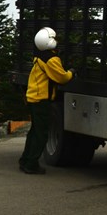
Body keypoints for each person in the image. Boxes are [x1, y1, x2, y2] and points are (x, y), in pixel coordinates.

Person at [19, 26, 75, 175]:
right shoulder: (51, 59)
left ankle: (25, 160)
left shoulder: (39, 56)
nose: (56, 41)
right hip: (41, 100)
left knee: (34, 132)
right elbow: (61, 77)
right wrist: (71, 73)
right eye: (54, 38)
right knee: (41, 134)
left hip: (33, 98)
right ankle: (31, 164)